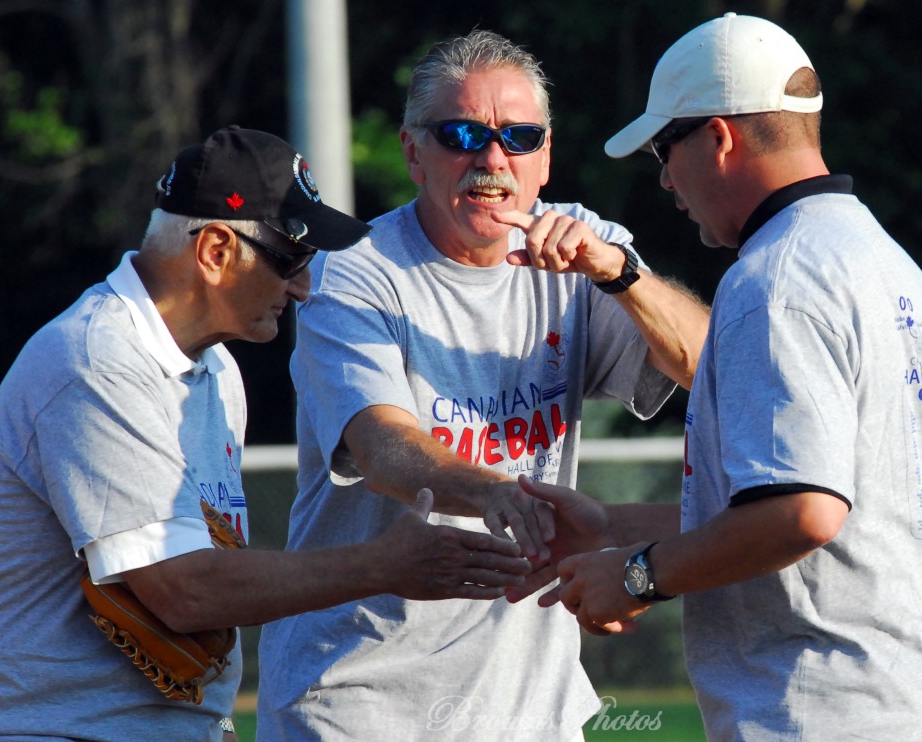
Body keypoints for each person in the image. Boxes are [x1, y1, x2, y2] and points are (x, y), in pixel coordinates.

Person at [509, 12, 922, 740]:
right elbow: (841, 516)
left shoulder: (776, 281)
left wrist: (638, 575)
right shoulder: (883, 264)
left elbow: (802, 515)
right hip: (920, 705)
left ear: (720, 138)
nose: (666, 177)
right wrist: (610, 529)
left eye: (665, 149)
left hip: (824, 713)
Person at [0, 126, 533, 742]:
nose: (304, 287)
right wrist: (384, 564)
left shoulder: (217, 368)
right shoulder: (95, 360)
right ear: (216, 250)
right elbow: (182, 590)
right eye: (291, 258)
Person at [255, 30, 709, 742]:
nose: (492, 159)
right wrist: (497, 490)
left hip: (529, 712)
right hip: (358, 704)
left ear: (546, 157)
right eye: (462, 133)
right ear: (412, 152)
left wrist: (620, 275)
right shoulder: (357, 270)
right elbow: (383, 448)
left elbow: (713, 368)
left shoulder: (586, 249)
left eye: (520, 137)